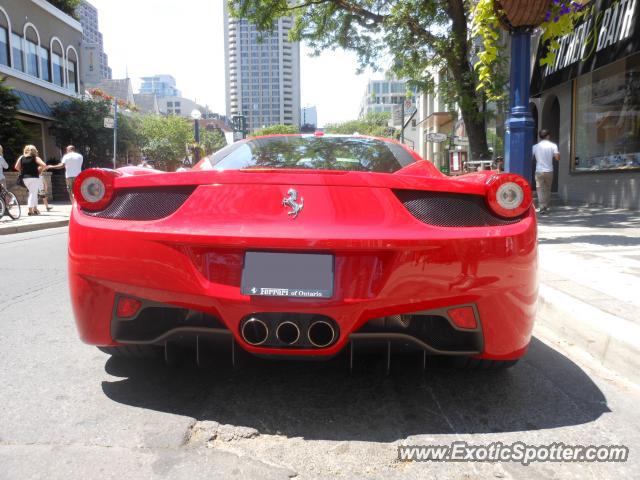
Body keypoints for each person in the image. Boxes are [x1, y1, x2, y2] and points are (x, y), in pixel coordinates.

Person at [14, 145, 48, 215]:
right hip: (34, 178)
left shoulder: (21, 157)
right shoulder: (35, 158)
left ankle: (35, 209)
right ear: (34, 150)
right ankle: (30, 209)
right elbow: (44, 165)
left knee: (33, 193)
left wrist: (23, 170)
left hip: (25, 178)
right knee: (33, 193)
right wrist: (39, 170)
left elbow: (16, 167)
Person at [532, 129, 559, 214]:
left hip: (539, 170)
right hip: (549, 170)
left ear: (540, 136)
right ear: (548, 136)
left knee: (539, 189)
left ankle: (542, 206)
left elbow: (530, 158)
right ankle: (545, 205)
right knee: (547, 188)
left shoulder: (535, 147)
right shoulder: (553, 145)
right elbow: (557, 158)